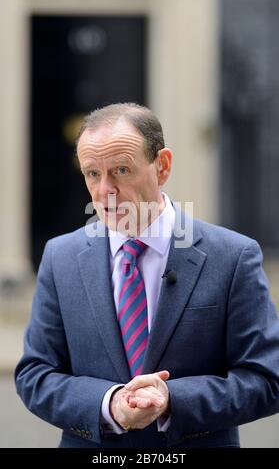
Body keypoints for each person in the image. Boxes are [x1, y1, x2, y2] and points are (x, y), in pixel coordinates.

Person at [15, 103, 279, 448]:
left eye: (121, 169)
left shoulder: (233, 256)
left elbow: (266, 379)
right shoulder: (59, 257)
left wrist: (172, 399)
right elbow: (35, 375)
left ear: (163, 166)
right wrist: (109, 404)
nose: (105, 190)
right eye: (92, 174)